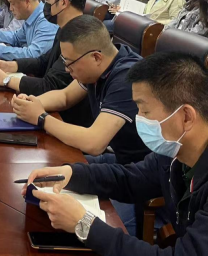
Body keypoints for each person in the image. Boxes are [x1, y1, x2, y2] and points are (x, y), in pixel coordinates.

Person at [22, 52, 208, 255]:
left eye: (145, 111)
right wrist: (71, 174)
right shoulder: (173, 153)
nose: (138, 118)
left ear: (186, 117)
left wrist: (84, 224)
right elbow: (130, 179)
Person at [12, 14, 150, 236]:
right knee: (53, 172)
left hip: (138, 173)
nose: (67, 69)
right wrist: (33, 103)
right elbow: (65, 97)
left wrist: (41, 118)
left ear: (96, 57)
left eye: (70, 62)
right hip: (118, 159)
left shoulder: (126, 78)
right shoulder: (100, 68)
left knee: (103, 231)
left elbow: (93, 143)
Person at [0, 0, 92, 128]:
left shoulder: (79, 38)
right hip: (51, 108)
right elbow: (44, 60)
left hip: (65, 120)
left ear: (63, 2)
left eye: (49, 1)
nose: (45, 8)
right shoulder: (65, 28)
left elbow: (50, 86)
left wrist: (7, 80)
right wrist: (12, 65)